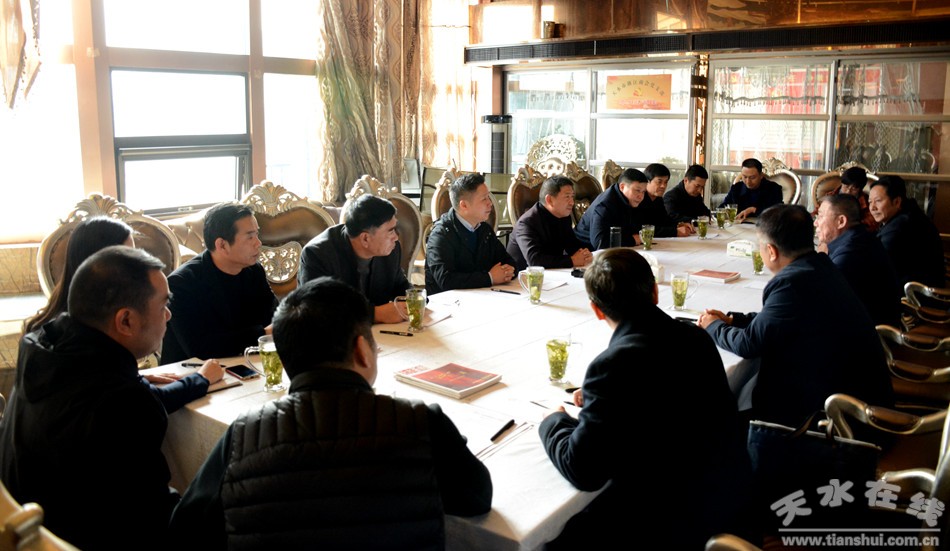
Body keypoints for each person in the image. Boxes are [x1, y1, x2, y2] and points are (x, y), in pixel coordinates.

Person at [168, 277, 493, 548]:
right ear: (362, 350)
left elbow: (186, 528)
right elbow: (476, 498)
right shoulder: (418, 422)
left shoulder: (243, 434)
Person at [539, 249, 751, 549]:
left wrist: (553, 421)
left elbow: (583, 470)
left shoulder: (611, 366)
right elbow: (664, 395)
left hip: (667, 520)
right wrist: (605, 401)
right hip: (727, 495)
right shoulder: (695, 337)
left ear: (596, 310)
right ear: (655, 292)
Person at [0, 246, 181, 549]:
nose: (169, 315)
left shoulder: (41, 348)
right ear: (125, 321)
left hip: (30, 530)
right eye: (164, 305)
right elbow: (152, 523)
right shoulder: (125, 402)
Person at [698, 205, 894, 427]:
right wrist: (734, 320)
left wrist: (712, 326)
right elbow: (780, 319)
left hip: (834, 417)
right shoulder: (819, 265)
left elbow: (748, 344)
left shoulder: (791, 283)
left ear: (771, 251)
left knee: (716, 415)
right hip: (856, 395)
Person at [25, 216, 221, 414]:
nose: (136, 264)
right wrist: (200, 379)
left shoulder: (52, 333)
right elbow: (139, 401)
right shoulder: (89, 339)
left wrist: (135, 378)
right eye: (128, 256)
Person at [162, 202, 277, 363]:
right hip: (194, 372)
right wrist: (264, 334)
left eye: (257, 234)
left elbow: (275, 317)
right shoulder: (181, 284)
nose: (258, 243)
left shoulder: (254, 271)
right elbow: (201, 348)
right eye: (250, 237)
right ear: (222, 245)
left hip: (247, 363)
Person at [298, 194, 411, 323]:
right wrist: (375, 314)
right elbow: (316, 310)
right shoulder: (317, 255)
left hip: (376, 332)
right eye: (390, 231)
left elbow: (400, 286)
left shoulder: (391, 250)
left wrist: (416, 300)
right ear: (365, 238)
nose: (396, 237)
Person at [815, 194, 901, 327]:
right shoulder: (860, 236)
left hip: (872, 332)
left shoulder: (851, 252)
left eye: (820, 216)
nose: (815, 223)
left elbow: (822, 296)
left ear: (841, 221)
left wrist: (821, 259)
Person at [426, 173, 516, 294]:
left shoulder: (484, 229)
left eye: (488, 197)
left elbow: (508, 261)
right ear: (464, 205)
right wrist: (489, 277)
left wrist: (508, 271)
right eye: (484, 199)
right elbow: (446, 280)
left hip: (483, 295)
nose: (490, 203)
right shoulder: (441, 235)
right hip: (448, 302)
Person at [869, 176, 945, 288]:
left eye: (878, 201)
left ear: (897, 202)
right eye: (870, 202)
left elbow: (877, 265)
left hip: (914, 293)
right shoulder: (909, 213)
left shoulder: (901, 226)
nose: (872, 207)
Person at [506, 175, 593, 270]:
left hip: (552, 273)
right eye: (567, 197)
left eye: (572, 197)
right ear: (549, 200)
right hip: (523, 276)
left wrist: (584, 253)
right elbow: (535, 260)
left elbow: (572, 246)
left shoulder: (564, 216)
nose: (572, 202)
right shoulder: (527, 223)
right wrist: (572, 260)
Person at [574, 168, 649, 250]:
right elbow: (600, 243)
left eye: (643, 192)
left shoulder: (631, 199)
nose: (641, 196)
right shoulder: (604, 205)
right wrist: (632, 240)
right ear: (622, 187)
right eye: (637, 190)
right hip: (584, 250)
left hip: (615, 249)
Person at [636, 163, 692, 237]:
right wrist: (675, 232)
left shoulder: (658, 199)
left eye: (665, 182)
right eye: (659, 182)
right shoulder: (638, 199)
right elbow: (643, 229)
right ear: (647, 181)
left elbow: (665, 221)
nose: (663, 186)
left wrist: (679, 224)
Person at [719, 158, 784, 222]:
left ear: (761, 175)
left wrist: (754, 210)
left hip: (764, 226)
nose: (748, 182)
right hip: (739, 226)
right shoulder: (737, 188)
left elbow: (779, 214)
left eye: (752, 177)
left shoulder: (773, 188)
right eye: (745, 177)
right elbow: (722, 208)